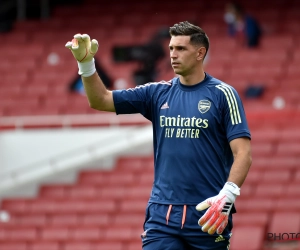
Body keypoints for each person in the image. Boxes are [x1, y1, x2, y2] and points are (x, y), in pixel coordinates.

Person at [65, 21, 252, 250]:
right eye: (171, 48)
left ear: (200, 53)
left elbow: (243, 152)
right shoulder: (157, 93)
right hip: (162, 216)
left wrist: (228, 194)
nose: (173, 54)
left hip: (209, 214)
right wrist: (86, 63)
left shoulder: (224, 95)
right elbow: (100, 100)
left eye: (181, 49)